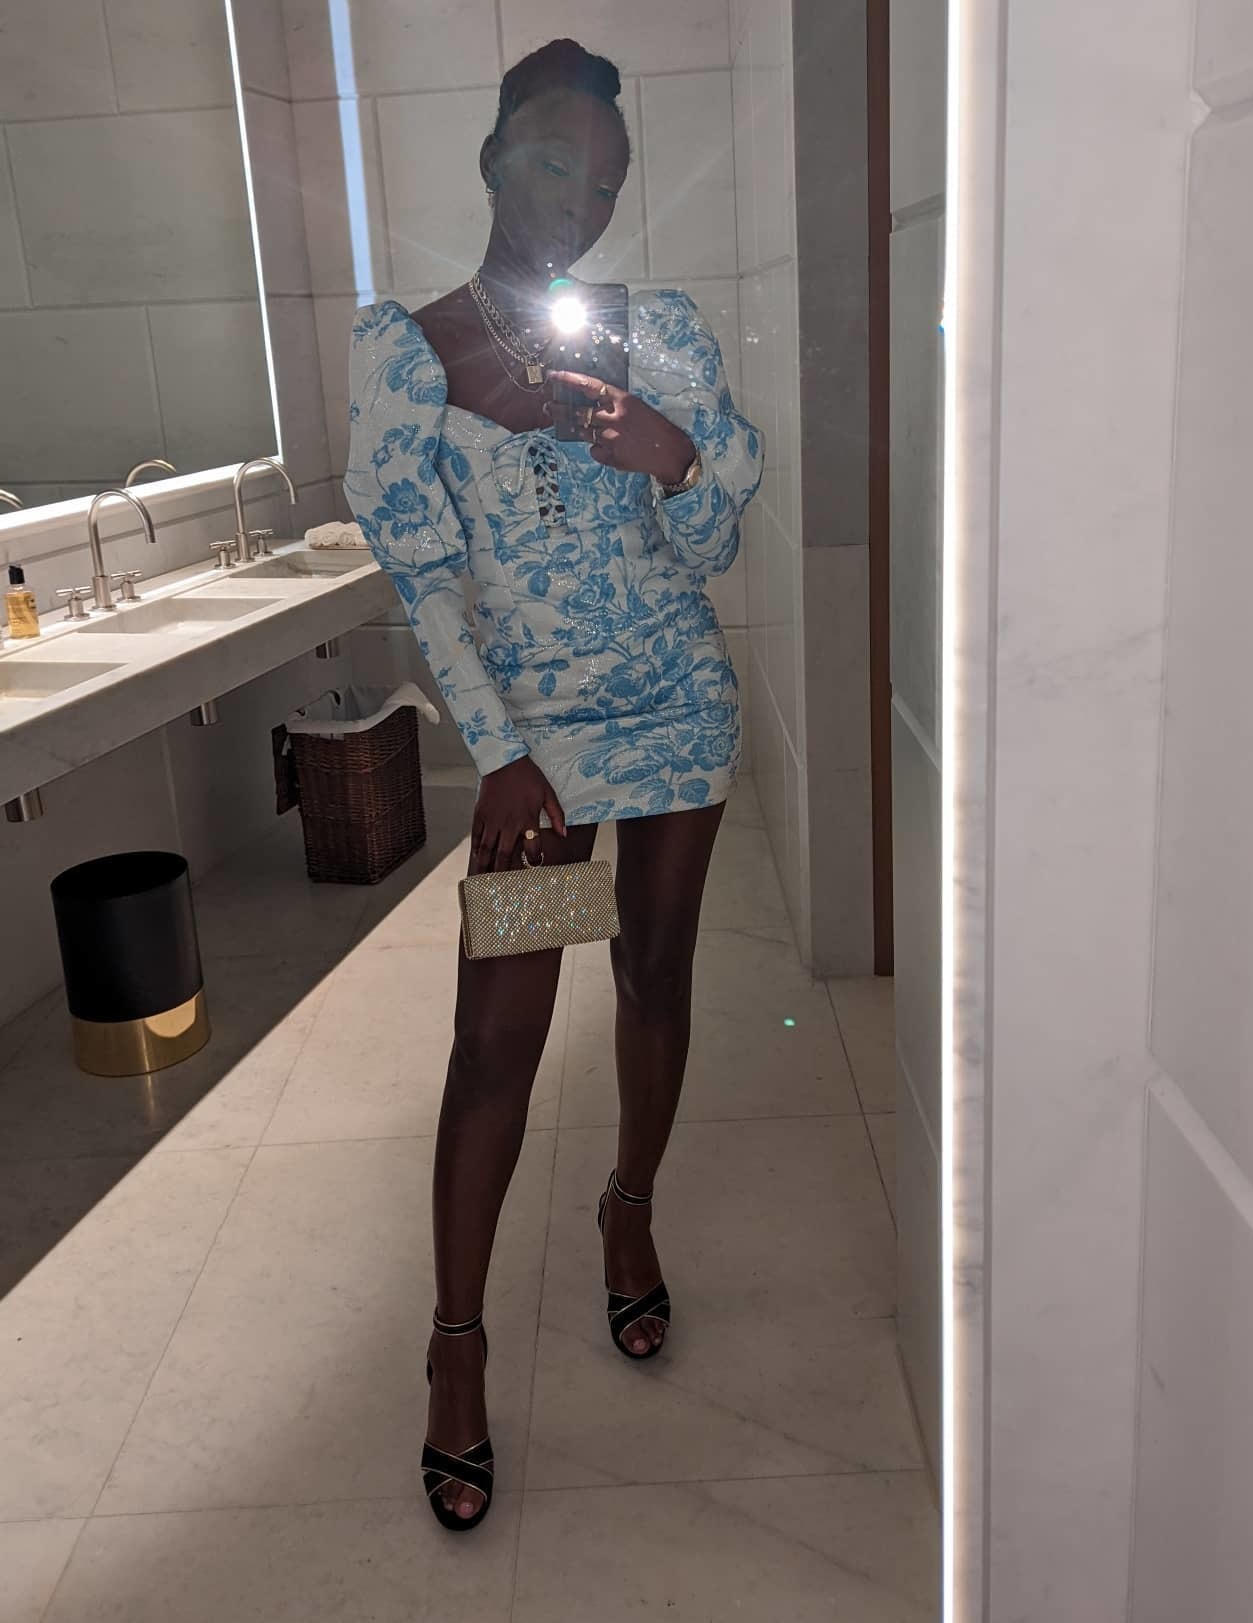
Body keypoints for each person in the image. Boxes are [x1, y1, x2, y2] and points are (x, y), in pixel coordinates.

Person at [345, 37, 763, 1533]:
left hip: (676, 714)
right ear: (491, 160)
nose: (578, 203)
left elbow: (718, 543)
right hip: (535, 752)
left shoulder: (660, 333)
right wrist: (498, 750)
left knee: (655, 977)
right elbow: (426, 577)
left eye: (604, 183)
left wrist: (673, 458)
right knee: (499, 1039)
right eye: (551, 163)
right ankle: (456, 1343)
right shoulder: (408, 354)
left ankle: (627, 1211)